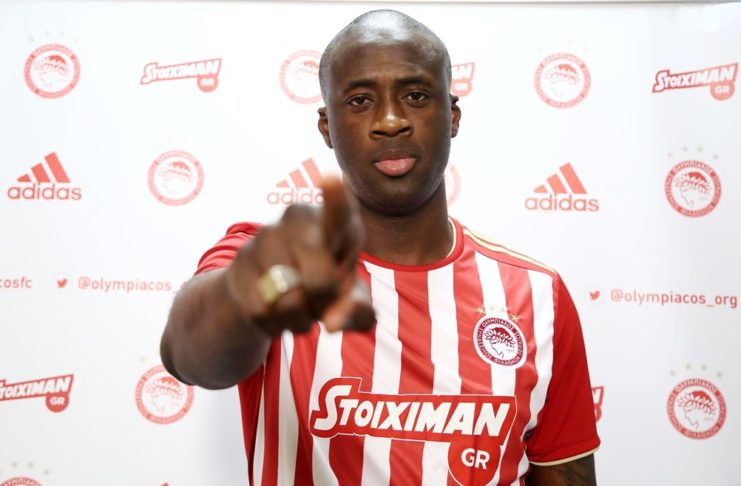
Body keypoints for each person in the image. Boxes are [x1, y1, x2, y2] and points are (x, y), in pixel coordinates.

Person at [160, 9, 599, 486]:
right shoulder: (267, 261)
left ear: (452, 116)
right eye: (360, 100)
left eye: (415, 96)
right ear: (327, 127)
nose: (390, 121)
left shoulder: (535, 295)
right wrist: (255, 292)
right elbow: (191, 357)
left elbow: (566, 474)